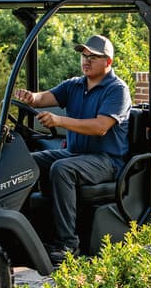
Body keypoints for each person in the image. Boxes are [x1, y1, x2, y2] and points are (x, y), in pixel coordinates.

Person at [13, 34, 131, 265]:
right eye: (83, 56)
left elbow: (100, 127)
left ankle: (68, 244)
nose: (85, 61)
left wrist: (59, 121)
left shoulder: (117, 90)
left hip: (106, 161)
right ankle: (27, 229)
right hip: (75, 154)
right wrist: (30, 97)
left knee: (61, 169)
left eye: (93, 57)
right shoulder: (74, 85)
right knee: (27, 160)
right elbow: (42, 98)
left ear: (108, 62)